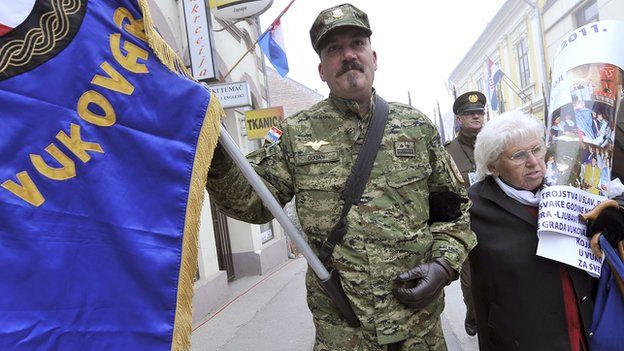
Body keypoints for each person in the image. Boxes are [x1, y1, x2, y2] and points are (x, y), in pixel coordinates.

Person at [206, 3, 476, 350]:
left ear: (373, 57)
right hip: (344, 335)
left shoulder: (416, 127)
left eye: (356, 44)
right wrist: (216, 155)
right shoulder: (295, 134)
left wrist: (442, 266)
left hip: (419, 330)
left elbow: (454, 215)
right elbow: (252, 203)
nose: (348, 55)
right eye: (334, 49)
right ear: (321, 69)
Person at [468, 111, 595, 350]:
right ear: (493, 166)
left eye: (537, 150)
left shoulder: (566, 189)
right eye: (519, 156)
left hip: (581, 329)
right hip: (523, 337)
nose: (534, 162)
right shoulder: (473, 207)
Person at [444, 90, 486, 336]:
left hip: (497, 223)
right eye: (470, 114)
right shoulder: (448, 152)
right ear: (459, 119)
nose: (476, 117)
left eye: (479, 112)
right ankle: (473, 317)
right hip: (465, 226)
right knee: (471, 286)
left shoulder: (497, 144)